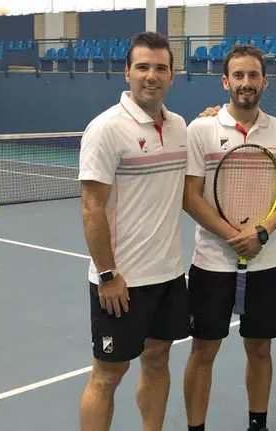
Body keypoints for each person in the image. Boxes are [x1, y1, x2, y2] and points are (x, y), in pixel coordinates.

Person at [181, 44, 276, 431]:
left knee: (261, 349)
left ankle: (258, 424)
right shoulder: (201, 129)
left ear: (264, 81)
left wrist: (262, 231)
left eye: (253, 75)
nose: (246, 83)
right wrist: (233, 235)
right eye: (239, 75)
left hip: (266, 265)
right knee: (203, 350)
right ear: (225, 81)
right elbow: (190, 195)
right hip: (211, 264)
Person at [78, 31, 189, 431]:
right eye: (142, 66)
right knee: (107, 374)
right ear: (127, 72)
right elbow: (91, 208)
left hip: (169, 275)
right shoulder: (106, 129)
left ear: (172, 76)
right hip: (121, 282)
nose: (151, 75)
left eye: (160, 67)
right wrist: (107, 275)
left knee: (158, 358)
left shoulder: (179, 126)